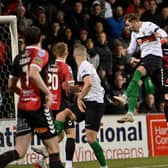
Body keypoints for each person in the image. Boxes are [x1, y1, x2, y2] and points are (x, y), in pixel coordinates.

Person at [0, 26, 64, 168]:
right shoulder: (41, 53)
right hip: (38, 108)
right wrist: (47, 93)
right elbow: (34, 73)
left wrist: (23, 94)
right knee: (53, 150)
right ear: (40, 38)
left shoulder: (19, 57)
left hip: (23, 108)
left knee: (20, 151)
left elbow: (10, 85)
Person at [55, 44, 108, 168]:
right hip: (87, 102)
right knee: (62, 115)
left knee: (91, 139)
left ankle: (104, 166)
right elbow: (82, 87)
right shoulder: (84, 67)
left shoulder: (84, 66)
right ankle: (51, 142)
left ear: (74, 55)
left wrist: (79, 98)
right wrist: (70, 88)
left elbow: (88, 84)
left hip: (95, 104)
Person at [116, 13, 167, 123]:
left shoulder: (148, 25)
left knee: (137, 73)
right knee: (137, 83)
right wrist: (125, 51)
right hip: (145, 59)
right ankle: (130, 113)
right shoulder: (134, 34)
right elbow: (132, 49)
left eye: (129, 25)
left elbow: (162, 32)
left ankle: (125, 97)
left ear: (134, 21)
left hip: (155, 57)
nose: (128, 28)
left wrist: (161, 35)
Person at [32, 42, 77, 168]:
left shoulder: (47, 66)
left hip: (49, 104)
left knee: (59, 135)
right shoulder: (66, 67)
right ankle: (69, 166)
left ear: (54, 53)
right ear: (66, 53)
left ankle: (41, 159)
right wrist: (82, 91)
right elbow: (71, 87)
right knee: (70, 134)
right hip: (62, 104)